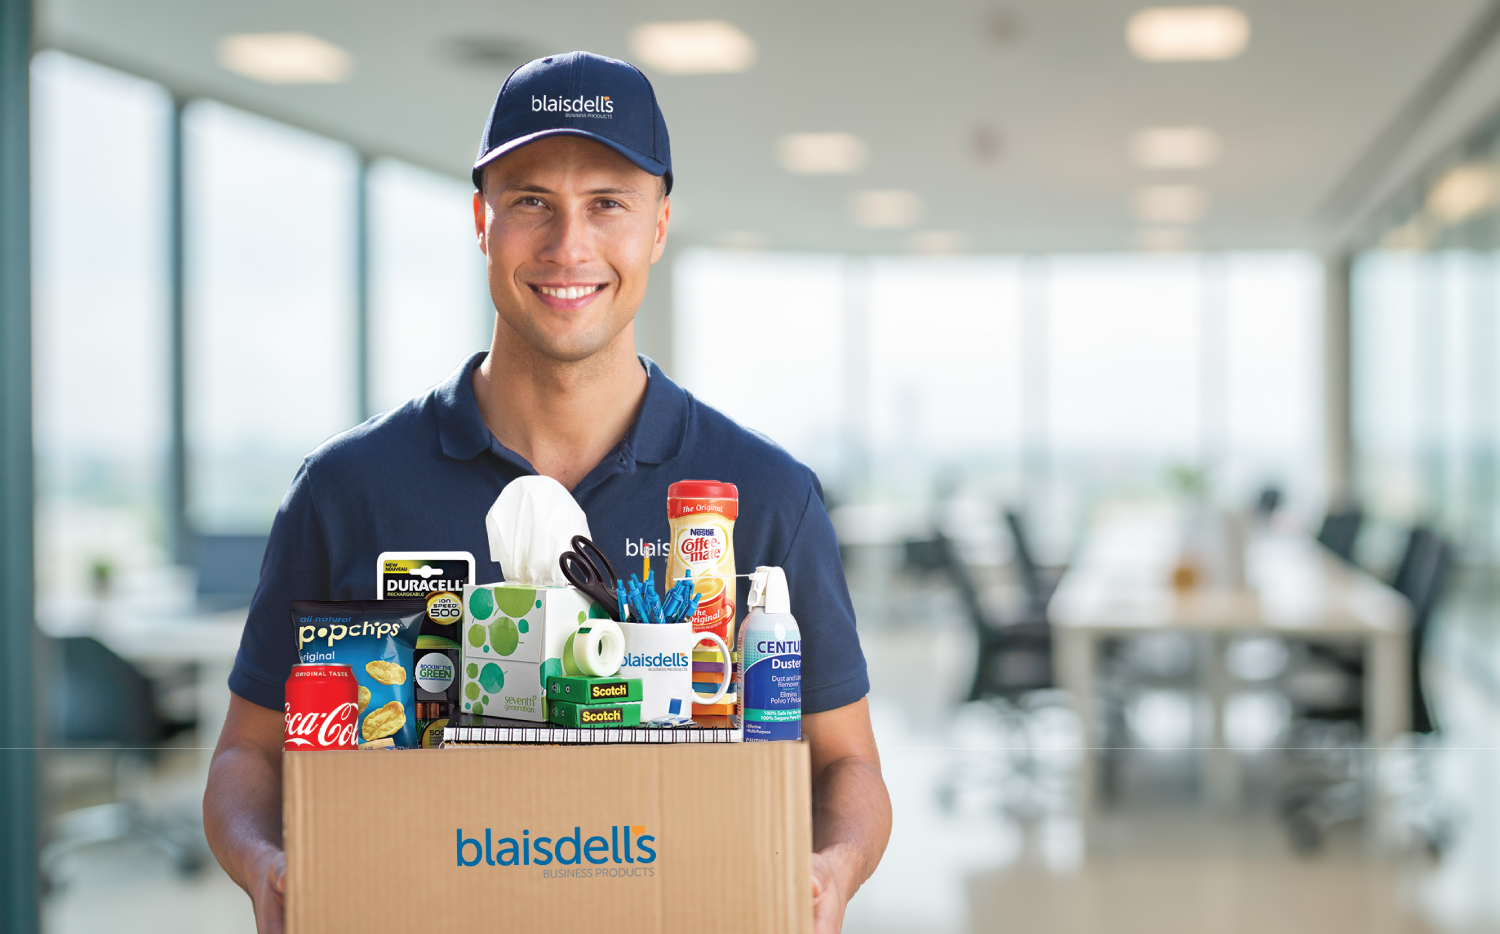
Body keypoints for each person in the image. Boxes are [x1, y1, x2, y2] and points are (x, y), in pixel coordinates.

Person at [203, 51, 891, 933]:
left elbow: (849, 769)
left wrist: (831, 872)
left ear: (659, 227)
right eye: (532, 201)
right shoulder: (347, 490)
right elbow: (247, 756)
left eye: (608, 203)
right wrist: (267, 867)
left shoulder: (763, 495)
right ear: (482, 222)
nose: (570, 246)